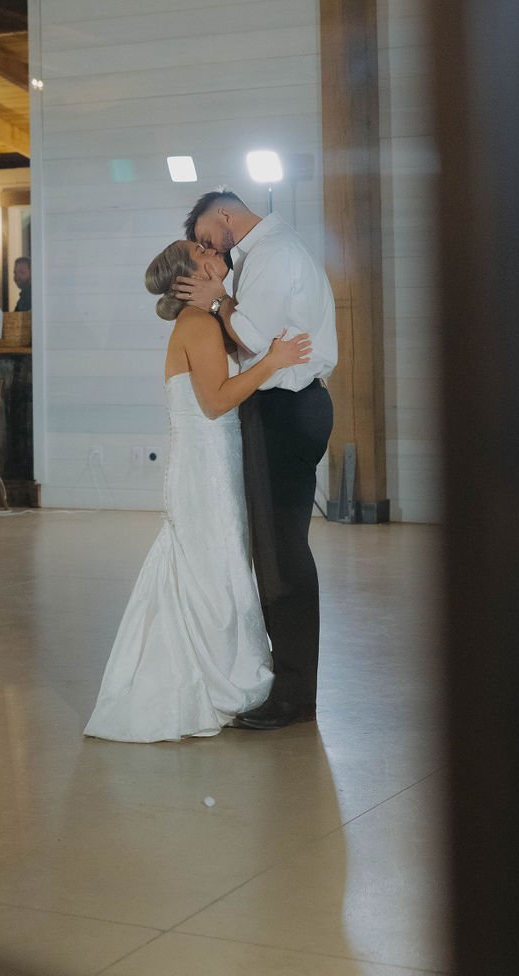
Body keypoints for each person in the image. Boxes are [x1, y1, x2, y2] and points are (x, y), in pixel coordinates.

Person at [85, 240, 311, 744]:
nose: (213, 248)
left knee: (217, 565)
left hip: (211, 460)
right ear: (191, 274)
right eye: (202, 249)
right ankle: (215, 680)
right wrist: (274, 360)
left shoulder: (204, 321)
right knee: (213, 568)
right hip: (205, 467)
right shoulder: (198, 326)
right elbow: (215, 402)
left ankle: (225, 670)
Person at [175, 190, 336, 730]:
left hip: (284, 409)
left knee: (279, 554)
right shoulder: (275, 250)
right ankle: (292, 684)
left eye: (204, 237)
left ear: (225, 214)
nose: (206, 249)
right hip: (293, 403)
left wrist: (219, 300)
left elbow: (251, 337)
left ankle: (293, 695)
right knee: (277, 548)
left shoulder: (270, 254)